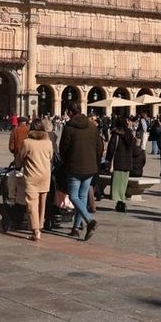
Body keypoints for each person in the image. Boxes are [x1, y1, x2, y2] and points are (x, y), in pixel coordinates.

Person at [58, 102, 101, 240]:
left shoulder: (69, 127)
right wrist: (94, 161)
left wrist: (66, 162)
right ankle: (75, 228)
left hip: (75, 167)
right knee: (82, 197)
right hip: (90, 167)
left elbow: (63, 148)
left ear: (70, 112)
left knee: (73, 196)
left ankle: (89, 220)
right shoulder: (93, 127)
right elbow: (99, 147)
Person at [17, 117, 53, 239]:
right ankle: (40, 226)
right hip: (45, 175)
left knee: (32, 203)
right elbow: (50, 157)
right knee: (42, 203)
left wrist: (19, 164)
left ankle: (36, 231)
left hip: (32, 176)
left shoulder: (27, 142)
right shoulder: (48, 142)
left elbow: (20, 158)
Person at [104, 116, 139, 213]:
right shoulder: (130, 135)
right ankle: (121, 202)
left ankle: (121, 202)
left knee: (117, 185)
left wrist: (108, 160)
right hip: (127, 164)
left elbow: (111, 149)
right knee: (123, 185)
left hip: (118, 163)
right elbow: (134, 149)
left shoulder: (116, 135)